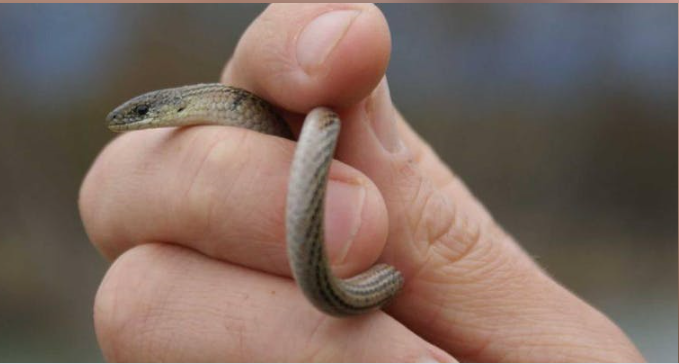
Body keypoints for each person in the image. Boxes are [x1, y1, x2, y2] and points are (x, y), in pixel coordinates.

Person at [79, 4, 644, 362]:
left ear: (165, 107)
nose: (134, 126)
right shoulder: (228, 117)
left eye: (139, 117)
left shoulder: (286, 114)